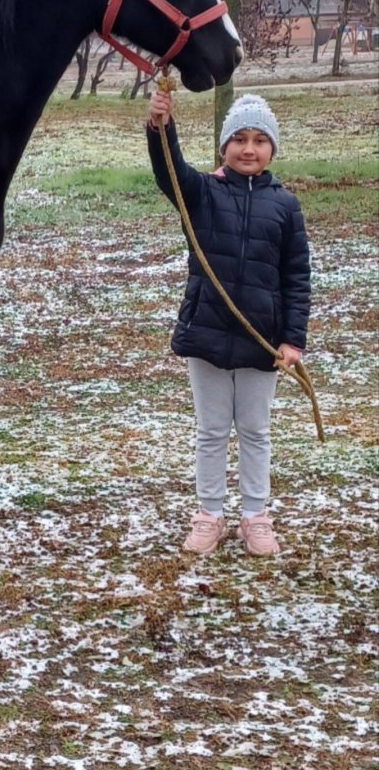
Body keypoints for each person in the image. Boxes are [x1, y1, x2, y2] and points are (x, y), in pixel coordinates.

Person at [147, 90, 311, 557]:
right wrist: (162, 127)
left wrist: (292, 340)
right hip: (209, 334)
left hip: (263, 341)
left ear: (272, 149)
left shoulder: (285, 206)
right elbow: (170, 173)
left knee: (256, 430)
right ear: (224, 146)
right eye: (238, 138)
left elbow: (296, 277)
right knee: (213, 430)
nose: (248, 148)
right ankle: (209, 515)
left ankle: (255, 516)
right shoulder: (202, 195)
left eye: (260, 140)